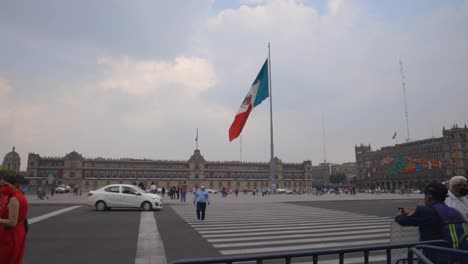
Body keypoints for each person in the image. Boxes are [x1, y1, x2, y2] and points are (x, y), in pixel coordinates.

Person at [395, 181, 468, 262]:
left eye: (425, 196)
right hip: (459, 258)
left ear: (429, 196)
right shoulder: (456, 212)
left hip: (435, 258)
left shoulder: (425, 211)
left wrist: (400, 214)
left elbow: (402, 220)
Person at [0, 173, 29, 264]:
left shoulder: (14, 199)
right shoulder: (17, 196)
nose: (3, 188)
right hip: (18, 232)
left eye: (6, 185)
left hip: (11, 234)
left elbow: (12, 222)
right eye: (1, 185)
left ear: (15, 185)